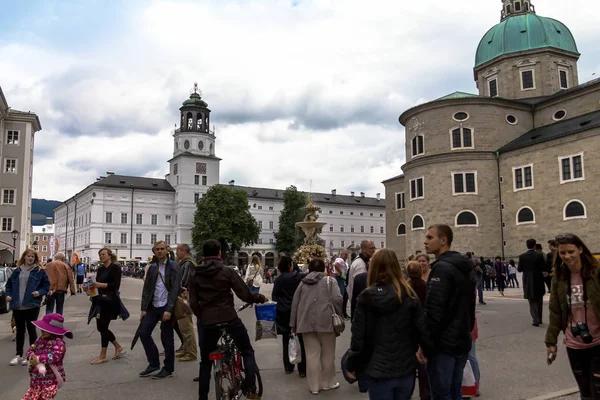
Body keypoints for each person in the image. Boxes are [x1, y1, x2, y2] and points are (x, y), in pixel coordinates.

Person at [346, 252, 431, 400]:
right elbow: (421, 330)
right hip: (405, 367)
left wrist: (352, 363)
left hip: (378, 369)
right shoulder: (409, 294)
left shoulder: (367, 297)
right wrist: (426, 350)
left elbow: (358, 336)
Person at [190, 239, 266, 400]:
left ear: (204, 254)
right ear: (219, 253)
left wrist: (202, 316)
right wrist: (259, 298)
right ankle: (251, 389)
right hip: (229, 318)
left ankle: (202, 396)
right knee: (246, 350)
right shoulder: (227, 271)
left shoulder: (196, 274)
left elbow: (193, 303)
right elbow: (244, 294)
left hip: (208, 321)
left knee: (205, 361)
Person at [419, 224, 476, 400]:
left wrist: (425, 345)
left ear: (443, 241)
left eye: (430, 238)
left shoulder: (441, 268)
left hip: (444, 345)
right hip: (461, 339)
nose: (425, 241)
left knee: (442, 394)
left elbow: (434, 311)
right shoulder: (463, 265)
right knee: (454, 391)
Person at [546, 234, 600, 399]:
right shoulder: (559, 278)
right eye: (563, 253)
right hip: (574, 344)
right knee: (585, 393)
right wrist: (551, 342)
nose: (567, 256)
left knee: (597, 391)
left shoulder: (595, 273)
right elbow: (555, 312)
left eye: (571, 251)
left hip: (598, 342)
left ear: (581, 249)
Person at [290, 258, 342, 395]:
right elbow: (337, 299)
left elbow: (295, 304)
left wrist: (293, 324)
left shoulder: (302, 283)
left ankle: (314, 386)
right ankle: (327, 382)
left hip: (306, 323)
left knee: (312, 355)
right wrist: (339, 314)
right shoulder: (330, 281)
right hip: (326, 322)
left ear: (310, 268)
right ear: (323, 268)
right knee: (328, 354)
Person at [139, 241, 181, 379]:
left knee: (167, 337)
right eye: (157, 249)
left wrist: (169, 309)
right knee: (144, 333)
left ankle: (168, 368)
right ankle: (153, 363)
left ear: (167, 250)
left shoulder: (173, 266)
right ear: (154, 251)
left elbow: (175, 289)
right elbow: (146, 289)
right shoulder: (152, 267)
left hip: (166, 306)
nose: (160, 251)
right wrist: (143, 308)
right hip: (153, 305)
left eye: (162, 249)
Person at [5, 249, 50, 366]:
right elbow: (9, 285)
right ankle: (18, 355)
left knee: (31, 330)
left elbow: (46, 287)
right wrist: (8, 295)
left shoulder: (39, 271)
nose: (30, 258)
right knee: (19, 330)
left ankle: (32, 355)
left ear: (35, 259)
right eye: (28, 256)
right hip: (17, 305)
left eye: (32, 257)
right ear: (24, 257)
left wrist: (39, 292)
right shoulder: (17, 271)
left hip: (31, 305)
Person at [86, 247, 127, 365]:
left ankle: (103, 355)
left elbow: (116, 285)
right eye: (100, 255)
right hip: (99, 300)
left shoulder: (115, 267)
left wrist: (100, 284)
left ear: (109, 255)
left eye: (103, 254)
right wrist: (88, 285)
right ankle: (118, 346)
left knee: (103, 327)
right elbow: (95, 282)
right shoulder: (101, 268)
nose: (101, 256)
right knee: (100, 327)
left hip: (110, 300)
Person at [21, 313, 72, 400]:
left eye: (45, 329)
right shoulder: (39, 340)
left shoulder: (59, 343)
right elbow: (31, 349)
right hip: (36, 379)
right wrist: (31, 357)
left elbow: (55, 356)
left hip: (51, 379)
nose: (42, 331)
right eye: (42, 329)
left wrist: (38, 359)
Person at [272, 255, 306, 377]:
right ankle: (302, 369)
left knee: (286, 340)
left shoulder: (278, 279)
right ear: (290, 265)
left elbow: (274, 296)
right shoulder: (297, 277)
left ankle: (288, 366)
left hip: (283, 311)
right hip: (297, 311)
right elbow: (304, 274)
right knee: (301, 340)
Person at [407, 261, 431, 400]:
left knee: (410, 365)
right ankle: (425, 393)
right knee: (422, 364)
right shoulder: (425, 286)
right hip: (422, 328)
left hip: (409, 331)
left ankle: (408, 392)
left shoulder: (406, 287)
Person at [174, 243, 198, 362]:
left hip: (185, 297)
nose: (176, 253)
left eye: (178, 251)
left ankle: (191, 353)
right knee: (183, 326)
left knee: (186, 326)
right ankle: (186, 349)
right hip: (186, 297)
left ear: (184, 251)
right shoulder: (185, 263)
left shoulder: (188, 264)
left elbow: (183, 281)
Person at [518, 238, 547, 327]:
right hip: (538, 278)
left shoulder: (522, 256)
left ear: (527, 245)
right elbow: (543, 267)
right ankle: (540, 318)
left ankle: (535, 318)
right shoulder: (539, 255)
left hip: (528, 278)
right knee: (539, 298)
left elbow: (519, 269)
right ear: (534, 245)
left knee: (531, 299)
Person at [348, 241, 376, 319]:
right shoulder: (360, 265)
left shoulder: (363, 261)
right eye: (371, 248)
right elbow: (362, 285)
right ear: (363, 249)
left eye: (374, 248)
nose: (374, 250)